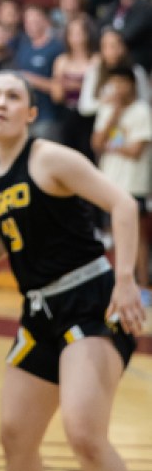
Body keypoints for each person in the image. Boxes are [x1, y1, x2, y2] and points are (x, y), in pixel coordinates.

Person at [0, 70, 144, 471]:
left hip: (89, 300)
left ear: (30, 113)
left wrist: (126, 280)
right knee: (15, 435)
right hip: (38, 311)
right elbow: (1, 241)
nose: (2, 103)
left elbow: (123, 205)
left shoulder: (48, 158)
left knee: (84, 434)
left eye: (13, 96)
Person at [92, 66, 152, 307]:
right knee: (115, 236)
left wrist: (112, 146)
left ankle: (144, 286)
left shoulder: (142, 111)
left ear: (132, 84)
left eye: (121, 83)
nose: (117, 88)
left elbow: (136, 150)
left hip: (133, 183)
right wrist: (114, 116)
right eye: (113, 83)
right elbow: (96, 143)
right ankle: (121, 285)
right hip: (110, 183)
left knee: (138, 238)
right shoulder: (107, 109)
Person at [12, 5, 64, 141]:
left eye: (35, 20)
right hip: (25, 117)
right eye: (28, 22)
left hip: (48, 116)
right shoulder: (23, 48)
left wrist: (32, 80)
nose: (31, 25)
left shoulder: (56, 48)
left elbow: (59, 86)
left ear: (45, 21)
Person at [50, 14, 98, 158]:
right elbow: (57, 95)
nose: (76, 37)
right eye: (72, 33)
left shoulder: (96, 60)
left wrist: (72, 85)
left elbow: (98, 90)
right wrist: (78, 85)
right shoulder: (61, 61)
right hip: (68, 113)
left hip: (91, 114)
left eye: (80, 32)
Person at [78, 25, 150, 118]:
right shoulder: (94, 72)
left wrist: (127, 102)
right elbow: (84, 106)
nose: (112, 51)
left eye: (115, 45)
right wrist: (105, 102)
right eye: (107, 46)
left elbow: (145, 102)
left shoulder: (137, 72)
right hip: (101, 121)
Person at [99, 0, 152, 72]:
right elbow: (101, 30)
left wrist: (110, 38)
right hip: (110, 65)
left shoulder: (145, 9)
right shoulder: (111, 8)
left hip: (136, 66)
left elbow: (129, 35)